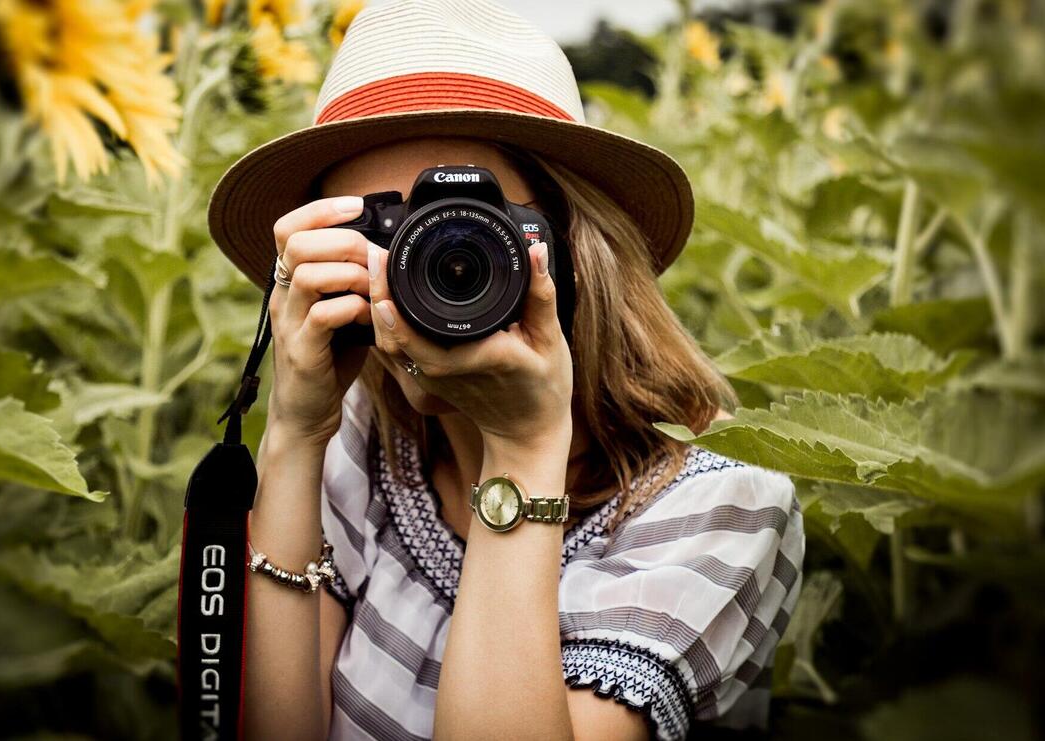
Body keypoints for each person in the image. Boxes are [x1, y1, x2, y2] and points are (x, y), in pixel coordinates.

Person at [205, 1, 805, 739]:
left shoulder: (723, 510)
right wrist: (293, 435)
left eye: (469, 222)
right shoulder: (361, 440)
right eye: (384, 230)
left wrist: (523, 450)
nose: (425, 268)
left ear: (577, 251)